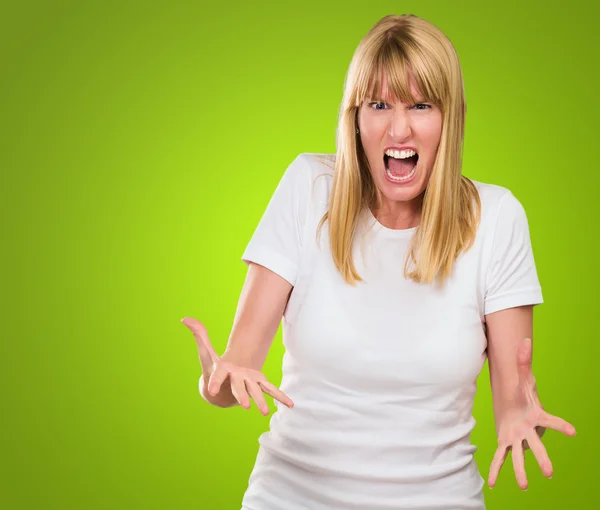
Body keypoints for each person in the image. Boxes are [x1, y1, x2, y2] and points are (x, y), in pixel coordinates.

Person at [181, 13, 576, 510]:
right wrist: (214, 381)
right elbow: (236, 375)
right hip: (290, 497)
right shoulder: (309, 188)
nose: (399, 127)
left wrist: (519, 414)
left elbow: (511, 405)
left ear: (449, 118)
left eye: (422, 104)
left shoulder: (496, 219)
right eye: (379, 104)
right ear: (356, 117)